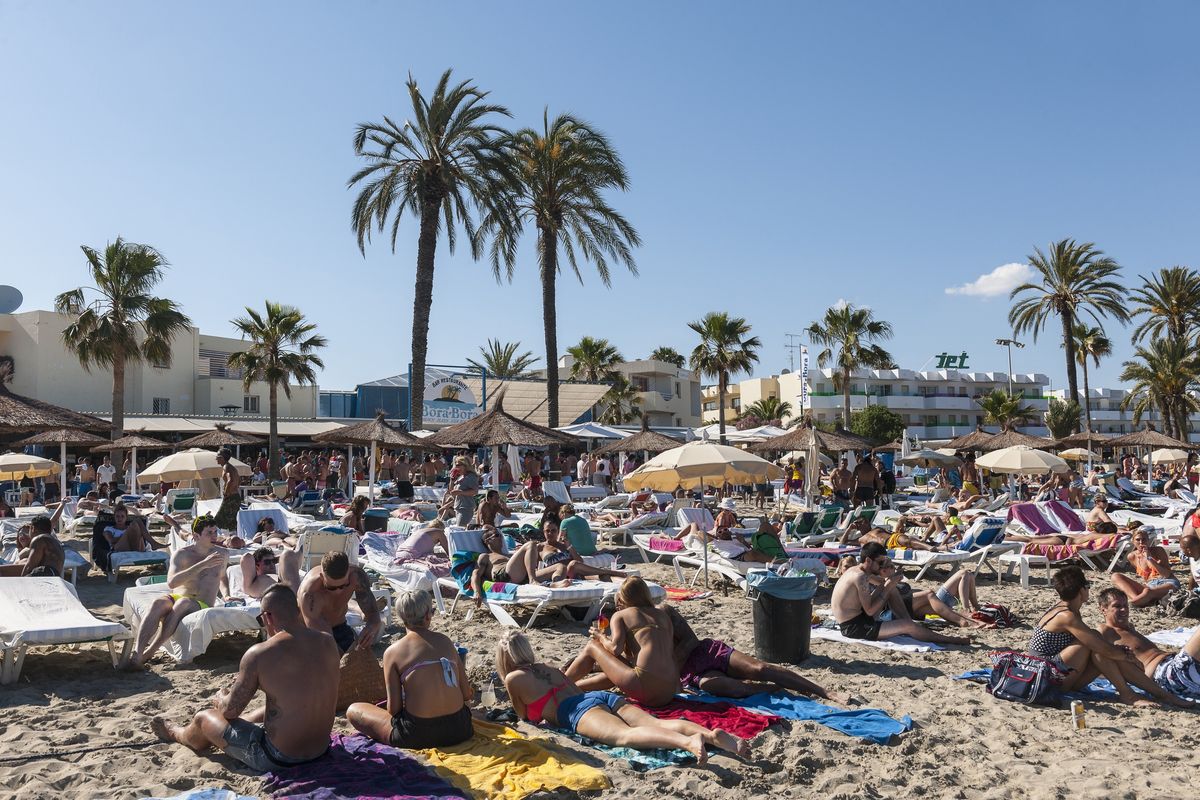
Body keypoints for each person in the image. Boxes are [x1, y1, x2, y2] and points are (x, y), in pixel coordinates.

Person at [152, 584, 339, 770]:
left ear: (268, 617)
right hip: (320, 749)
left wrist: (221, 699)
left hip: (279, 756)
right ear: (297, 611)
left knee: (203, 718)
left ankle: (175, 732)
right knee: (285, 704)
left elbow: (230, 712)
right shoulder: (327, 641)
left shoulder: (260, 653)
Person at [497, 630, 745, 764]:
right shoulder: (547, 667)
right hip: (598, 697)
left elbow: (523, 716)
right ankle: (712, 736)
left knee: (625, 736)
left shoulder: (513, 679)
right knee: (656, 723)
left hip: (576, 712)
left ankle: (689, 743)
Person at [1027, 566, 1183, 707]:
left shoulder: (1065, 609)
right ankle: (1132, 695)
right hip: (1048, 678)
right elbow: (1100, 647)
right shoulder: (1066, 616)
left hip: (1054, 673)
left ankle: (1156, 695)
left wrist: (1119, 653)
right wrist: (1128, 657)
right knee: (1097, 646)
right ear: (1081, 590)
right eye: (1087, 586)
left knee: (1101, 650)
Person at [347, 590, 474, 748]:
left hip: (418, 735)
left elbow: (394, 709)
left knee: (354, 709)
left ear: (402, 618)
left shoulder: (392, 652)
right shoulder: (446, 641)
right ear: (428, 615)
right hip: (460, 729)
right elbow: (466, 693)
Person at [665, 606, 850, 703]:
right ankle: (774, 688)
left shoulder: (665, 612)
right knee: (729, 688)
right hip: (692, 675)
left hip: (706, 652)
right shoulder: (635, 636)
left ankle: (824, 691)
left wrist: (673, 660)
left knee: (760, 668)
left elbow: (691, 640)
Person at [129, 516, 229, 668]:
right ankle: (137, 653)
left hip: (202, 602)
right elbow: (172, 582)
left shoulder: (222, 554)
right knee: (158, 603)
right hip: (178, 595)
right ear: (196, 536)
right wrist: (202, 565)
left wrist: (227, 594)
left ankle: (149, 653)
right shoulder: (182, 554)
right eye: (209, 533)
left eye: (215, 531)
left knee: (183, 603)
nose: (214, 536)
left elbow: (222, 577)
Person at [830, 542, 970, 645]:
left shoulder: (858, 571)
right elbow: (870, 610)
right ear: (868, 560)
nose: (882, 565)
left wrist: (891, 579)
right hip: (854, 627)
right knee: (906, 624)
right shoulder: (859, 577)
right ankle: (950, 640)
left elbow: (882, 583)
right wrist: (889, 585)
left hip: (859, 618)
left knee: (891, 590)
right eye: (880, 562)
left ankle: (908, 621)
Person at [569, 577, 680, 706]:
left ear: (622, 599)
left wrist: (600, 636)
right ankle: (576, 687)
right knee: (619, 667)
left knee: (592, 646)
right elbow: (671, 654)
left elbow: (616, 649)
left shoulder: (621, 615)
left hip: (644, 687)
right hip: (668, 691)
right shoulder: (663, 615)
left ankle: (561, 683)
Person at [1097, 588, 1199, 706]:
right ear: (1103, 609)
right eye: (1117, 606)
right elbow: (1101, 663)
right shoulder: (1104, 632)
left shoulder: (1129, 628)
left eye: (1125, 605)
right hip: (1167, 675)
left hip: (1178, 668)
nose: (1124, 609)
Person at [297, 551, 382, 654]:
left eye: (344, 585)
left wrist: (371, 628)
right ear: (322, 577)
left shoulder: (356, 576)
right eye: (331, 587)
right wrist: (343, 658)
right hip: (311, 634)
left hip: (340, 627)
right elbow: (322, 638)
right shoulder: (310, 594)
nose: (338, 591)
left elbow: (374, 615)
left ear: (348, 573)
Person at [502, 516, 627, 585]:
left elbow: (580, 561)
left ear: (558, 531)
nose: (550, 533)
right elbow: (530, 566)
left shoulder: (564, 545)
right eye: (547, 531)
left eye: (553, 530)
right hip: (552, 575)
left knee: (601, 576)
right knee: (569, 565)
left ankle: (620, 580)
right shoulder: (539, 547)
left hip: (572, 574)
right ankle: (614, 572)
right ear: (543, 532)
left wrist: (569, 546)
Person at [1110, 527, 1180, 607]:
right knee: (1115, 576)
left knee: (1147, 592)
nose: (1141, 542)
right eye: (1138, 540)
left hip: (1167, 582)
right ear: (1133, 541)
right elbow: (1145, 578)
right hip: (1150, 585)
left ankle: (1132, 603)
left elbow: (1166, 575)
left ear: (1148, 540)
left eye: (1144, 539)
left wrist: (1149, 558)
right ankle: (1139, 600)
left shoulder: (1158, 551)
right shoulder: (1132, 556)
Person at [0, 514, 65, 577]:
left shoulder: (39, 539)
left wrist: (22, 580)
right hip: (53, 573)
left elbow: (29, 566)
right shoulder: (54, 542)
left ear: (33, 528)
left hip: (45, 572)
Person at [214, 448, 242, 532]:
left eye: (217, 456)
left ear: (222, 458)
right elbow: (239, 479)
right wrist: (234, 488)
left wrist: (226, 493)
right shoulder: (231, 467)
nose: (216, 458)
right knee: (231, 521)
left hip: (231, 497)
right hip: (235, 496)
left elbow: (230, 480)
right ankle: (233, 539)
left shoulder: (226, 467)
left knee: (218, 520)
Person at [446, 458, 479, 526]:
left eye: (458, 465)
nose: (456, 467)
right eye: (455, 465)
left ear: (465, 465)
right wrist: (451, 480)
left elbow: (475, 491)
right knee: (459, 528)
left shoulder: (471, 476)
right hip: (458, 507)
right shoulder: (461, 477)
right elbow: (450, 491)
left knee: (460, 528)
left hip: (466, 507)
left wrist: (460, 492)